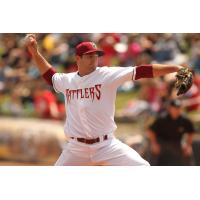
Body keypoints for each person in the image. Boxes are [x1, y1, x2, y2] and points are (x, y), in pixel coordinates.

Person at [25, 34, 188, 166]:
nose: (94, 59)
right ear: (77, 59)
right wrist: (35, 53)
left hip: (106, 145)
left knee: (143, 168)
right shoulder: (67, 80)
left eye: (96, 55)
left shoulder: (106, 75)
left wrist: (175, 68)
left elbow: (142, 71)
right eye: (89, 56)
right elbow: (50, 75)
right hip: (76, 148)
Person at [147, 99, 195, 166]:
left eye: (178, 107)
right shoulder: (162, 118)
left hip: (177, 142)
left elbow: (191, 132)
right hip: (162, 142)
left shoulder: (184, 120)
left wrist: (188, 145)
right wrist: (154, 143)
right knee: (153, 152)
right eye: (175, 108)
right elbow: (150, 131)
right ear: (170, 109)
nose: (177, 109)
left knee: (188, 152)